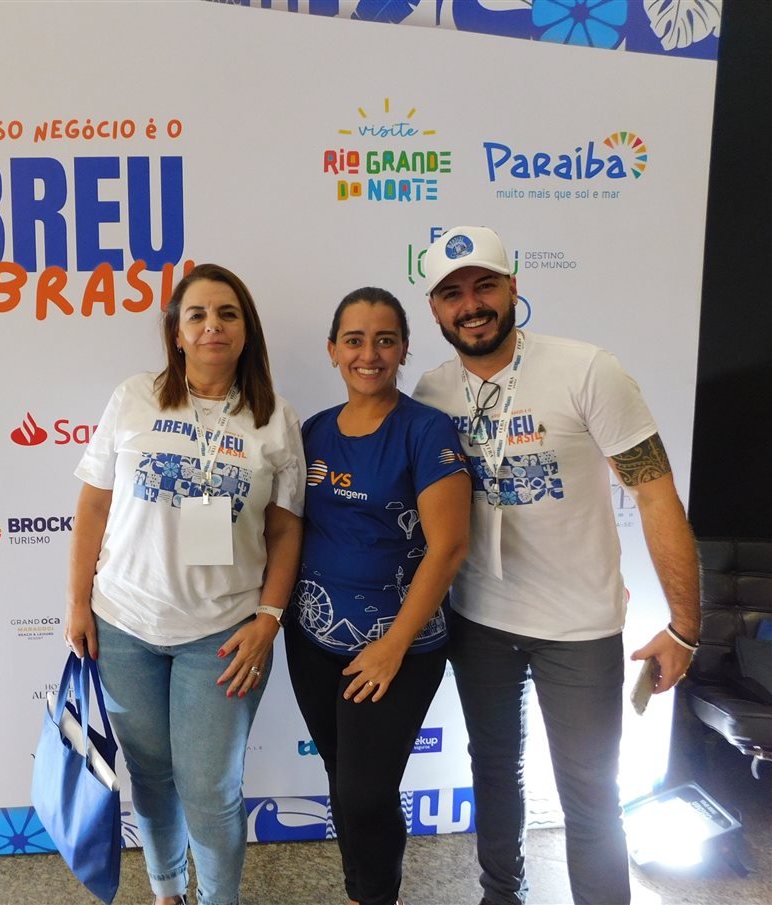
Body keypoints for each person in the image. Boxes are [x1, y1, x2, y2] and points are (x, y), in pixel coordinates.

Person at [412, 226, 701, 905]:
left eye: (484, 285)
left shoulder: (586, 369)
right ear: (435, 309)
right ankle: (500, 894)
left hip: (580, 628)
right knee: (493, 772)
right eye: (452, 293)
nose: (471, 304)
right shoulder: (429, 392)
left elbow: (655, 491)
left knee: (591, 794)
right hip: (479, 621)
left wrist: (686, 624)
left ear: (514, 288)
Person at [64, 263, 305, 905]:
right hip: (125, 622)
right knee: (149, 774)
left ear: (245, 329)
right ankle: (167, 891)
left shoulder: (275, 418)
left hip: (224, 634)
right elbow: (92, 507)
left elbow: (285, 533)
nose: (212, 326)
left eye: (227, 313)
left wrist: (268, 620)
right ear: (176, 332)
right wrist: (78, 603)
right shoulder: (134, 397)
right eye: (196, 315)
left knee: (210, 788)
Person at [286, 288, 471, 905]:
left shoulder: (426, 430)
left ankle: (377, 896)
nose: (370, 353)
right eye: (356, 339)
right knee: (344, 781)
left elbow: (447, 548)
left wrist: (393, 646)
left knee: (368, 791)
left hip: (399, 647)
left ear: (404, 349)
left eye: (385, 339)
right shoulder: (312, 431)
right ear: (334, 349)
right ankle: (357, 887)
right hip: (312, 639)